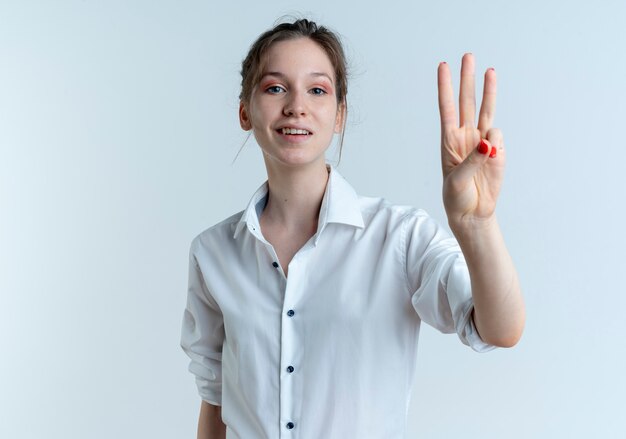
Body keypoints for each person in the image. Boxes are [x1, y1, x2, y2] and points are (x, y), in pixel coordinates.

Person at [180, 18, 525, 439]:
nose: (296, 106)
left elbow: (500, 329)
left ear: (340, 114)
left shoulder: (398, 238)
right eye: (275, 88)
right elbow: (216, 399)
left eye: (318, 90)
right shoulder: (213, 252)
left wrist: (477, 224)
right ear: (244, 112)